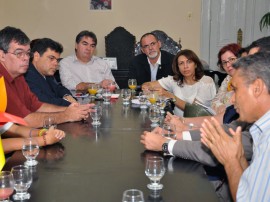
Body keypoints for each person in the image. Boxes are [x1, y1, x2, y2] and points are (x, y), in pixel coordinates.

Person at [200, 52, 270, 201]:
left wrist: (231, 161)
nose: (232, 99)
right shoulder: (260, 130)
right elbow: (251, 186)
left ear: (257, 88)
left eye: (236, 89)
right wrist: (238, 159)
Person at [0, 26, 93, 127]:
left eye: (27, 53)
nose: (26, 58)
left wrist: (74, 109)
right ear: (1, 55)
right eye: (19, 53)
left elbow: (37, 106)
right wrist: (66, 115)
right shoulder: (14, 76)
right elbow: (25, 120)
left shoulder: (19, 76)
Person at [142, 49, 216, 117]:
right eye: (181, 63)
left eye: (189, 62)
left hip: (199, 126)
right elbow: (147, 85)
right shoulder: (174, 81)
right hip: (177, 124)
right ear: (178, 67)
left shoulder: (206, 82)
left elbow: (195, 111)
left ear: (195, 64)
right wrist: (147, 88)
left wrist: (171, 96)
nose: (185, 66)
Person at [24, 38, 76, 106]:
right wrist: (72, 104)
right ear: (36, 56)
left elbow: (59, 88)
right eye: (51, 58)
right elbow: (45, 101)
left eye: (57, 60)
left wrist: (67, 96)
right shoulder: (27, 75)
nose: (56, 63)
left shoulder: (46, 73)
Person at [211, 43, 241, 114]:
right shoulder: (228, 79)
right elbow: (214, 101)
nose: (228, 65)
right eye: (224, 62)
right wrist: (220, 106)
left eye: (232, 59)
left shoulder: (249, 78)